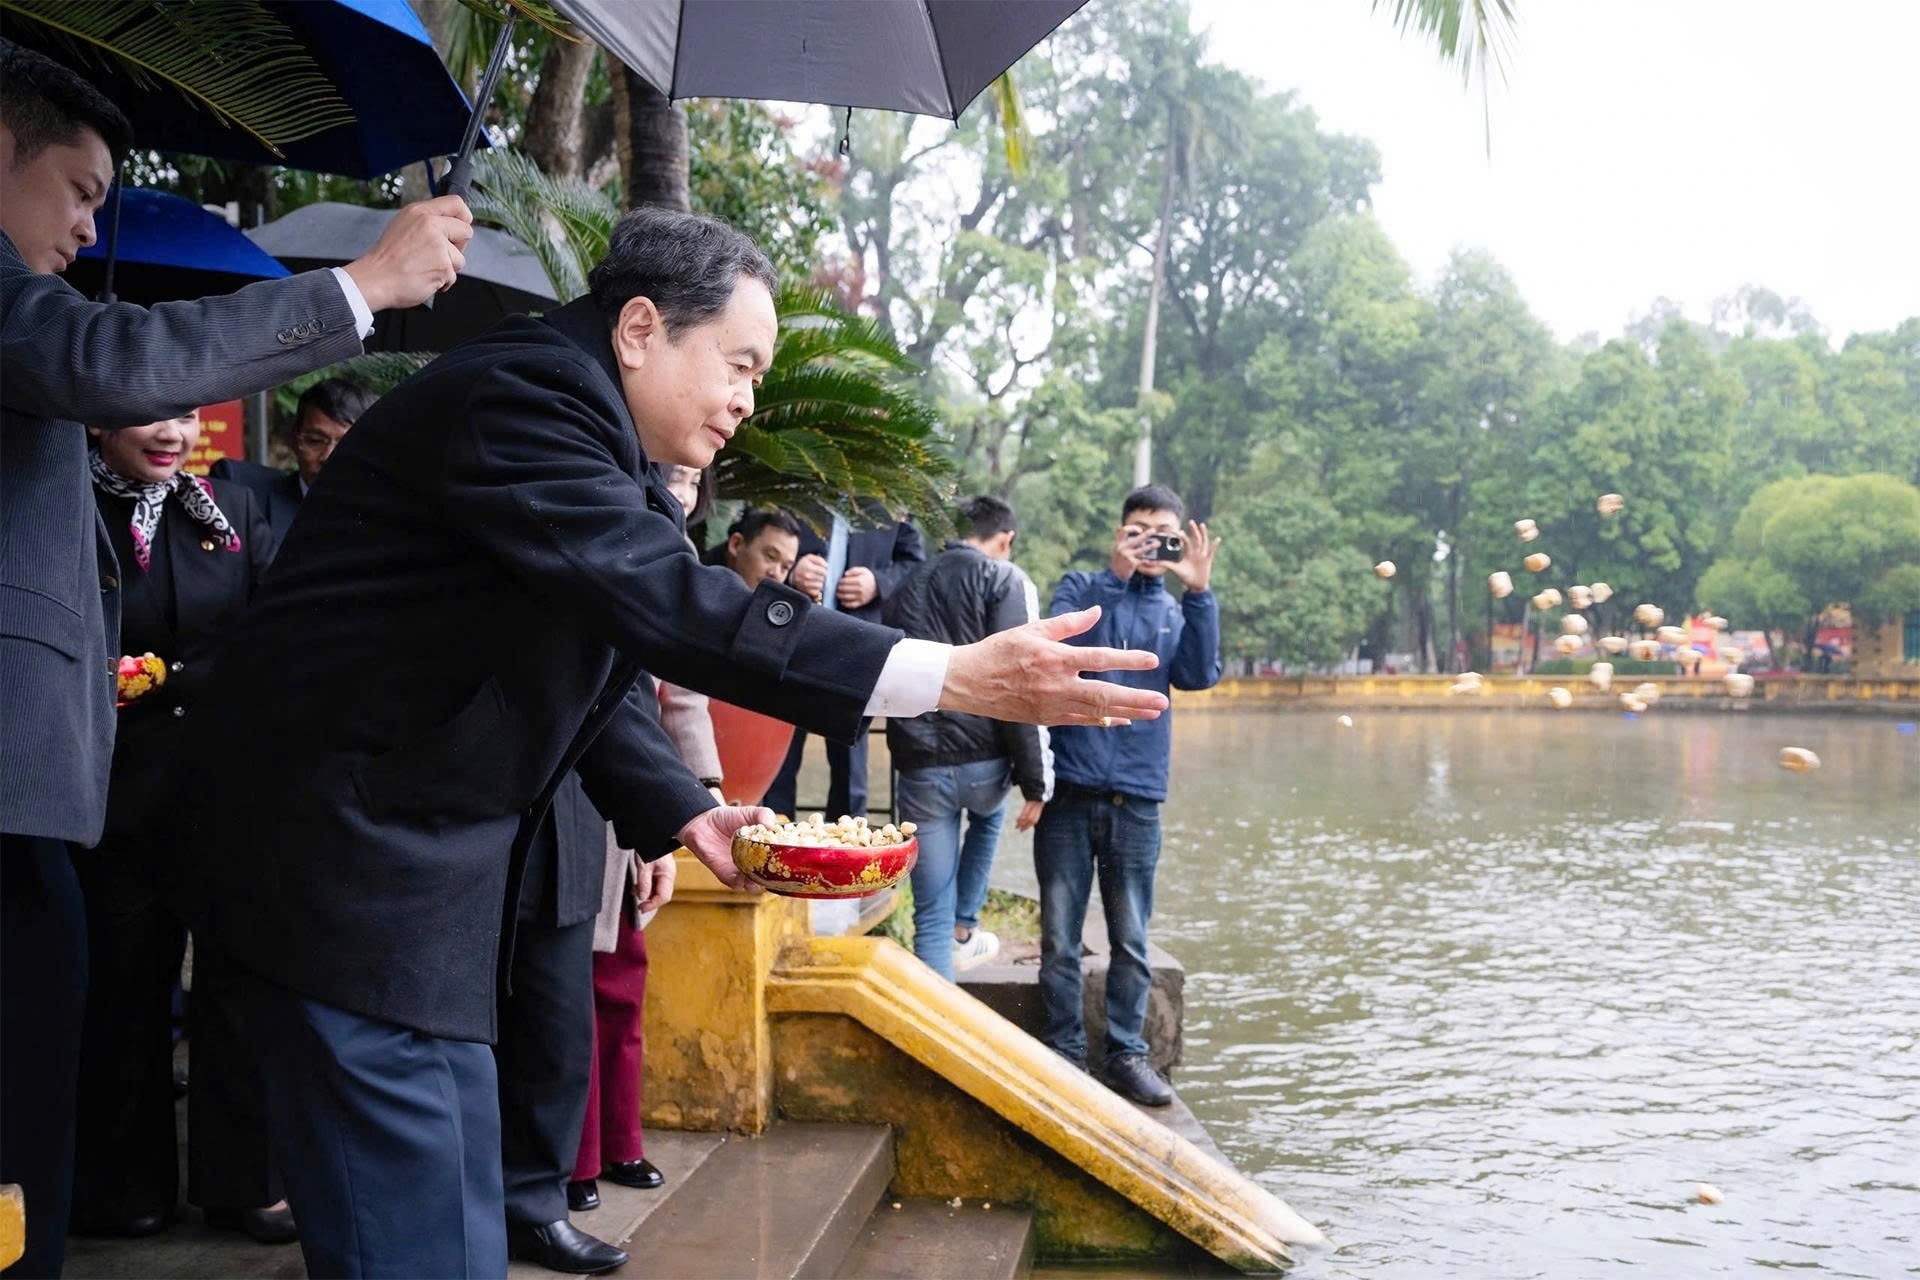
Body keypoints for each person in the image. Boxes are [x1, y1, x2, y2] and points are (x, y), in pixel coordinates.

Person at [176, 205, 1166, 1278]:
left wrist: (686, 808)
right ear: (641, 327)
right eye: (738, 363)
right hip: (346, 871)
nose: (747, 400)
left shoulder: (596, 440)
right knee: (406, 1242)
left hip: (415, 891)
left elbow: (588, 663)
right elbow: (672, 605)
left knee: (450, 1233)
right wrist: (951, 672)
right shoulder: (525, 402)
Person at [0, 43, 471, 1278]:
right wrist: (362, 284)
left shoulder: (222, 514)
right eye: (81, 188)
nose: (88, 225)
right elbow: (104, 362)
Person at [68, 409, 294, 1244]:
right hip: (107, 799)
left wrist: (165, 677)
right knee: (120, 994)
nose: (173, 430)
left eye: (188, 411)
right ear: (96, 414)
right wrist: (189, 675)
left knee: (238, 990)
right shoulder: (63, 510)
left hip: (226, 793)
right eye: (149, 409)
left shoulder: (229, 516)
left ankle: (244, 1184)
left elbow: (278, 640)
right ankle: (124, 1189)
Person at [1034, 484, 1222, 1108]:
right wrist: (1114, 577)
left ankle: (1126, 1054)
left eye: (1164, 534)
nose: (1151, 544)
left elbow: (1198, 674)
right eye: (1140, 531)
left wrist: (1199, 592)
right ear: (1120, 533)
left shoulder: (1175, 610)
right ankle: (1063, 1053)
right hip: (1071, 793)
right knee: (1059, 938)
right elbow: (1055, 649)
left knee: (1132, 939)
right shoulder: (1082, 587)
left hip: (1138, 797)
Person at [568, 466, 719, 1226]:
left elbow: (676, 698)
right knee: (564, 988)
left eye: (694, 480)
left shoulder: (679, 563)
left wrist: (697, 802)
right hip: (571, 792)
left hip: (635, 797)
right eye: (671, 476)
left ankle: (620, 1140)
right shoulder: (588, 538)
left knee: (622, 978)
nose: (682, 490)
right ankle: (574, 1159)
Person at [883, 496, 1052, 979]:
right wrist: (1036, 784)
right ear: (1005, 540)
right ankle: (966, 926)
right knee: (989, 812)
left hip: (919, 768)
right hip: (986, 767)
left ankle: (935, 1027)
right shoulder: (1003, 579)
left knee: (927, 918)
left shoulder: (906, 583)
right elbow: (1024, 686)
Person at [763, 513, 926, 820]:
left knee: (851, 767)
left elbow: (915, 564)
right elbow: (747, 536)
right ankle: (771, 851)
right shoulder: (792, 482)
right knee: (777, 758)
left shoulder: (887, 498)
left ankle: (843, 856)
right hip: (790, 643)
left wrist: (878, 582)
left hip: (856, 649)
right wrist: (789, 570)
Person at [210, 377, 377, 540]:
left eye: (345, 445)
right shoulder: (242, 490)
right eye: (314, 441)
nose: (327, 457)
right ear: (294, 440)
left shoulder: (385, 514)